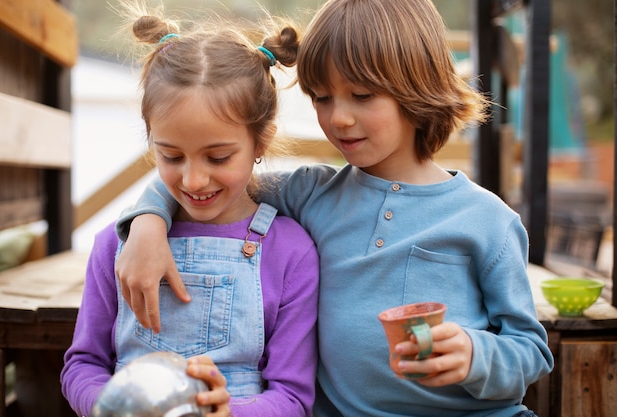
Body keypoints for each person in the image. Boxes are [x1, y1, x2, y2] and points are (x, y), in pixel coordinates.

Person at [114, 0, 554, 416]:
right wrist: (148, 223)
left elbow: (531, 350)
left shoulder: (487, 220)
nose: (338, 118)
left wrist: (477, 355)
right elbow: (206, 183)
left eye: (361, 95)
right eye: (322, 97)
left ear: (420, 86)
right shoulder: (311, 193)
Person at [60, 3, 319, 417]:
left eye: (217, 158)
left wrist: (231, 412)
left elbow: (292, 396)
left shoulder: (291, 252)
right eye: (171, 156)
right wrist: (109, 406)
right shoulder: (114, 243)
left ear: (261, 142)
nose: (194, 180)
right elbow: (83, 364)